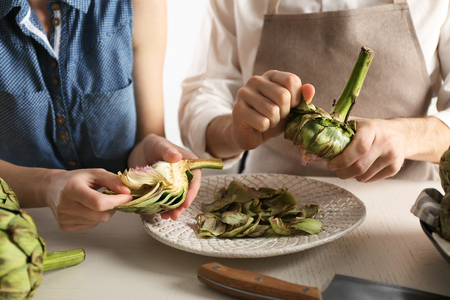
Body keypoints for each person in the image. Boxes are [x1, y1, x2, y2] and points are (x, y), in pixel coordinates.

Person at [179, 0, 450, 183]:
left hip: (399, 211)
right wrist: (232, 132)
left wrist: (406, 136)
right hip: (270, 197)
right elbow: (202, 94)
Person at [0, 0, 200, 232]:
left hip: (130, 236)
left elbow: (148, 138)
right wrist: (46, 187)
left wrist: (150, 152)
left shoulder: (140, 4)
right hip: (19, 232)